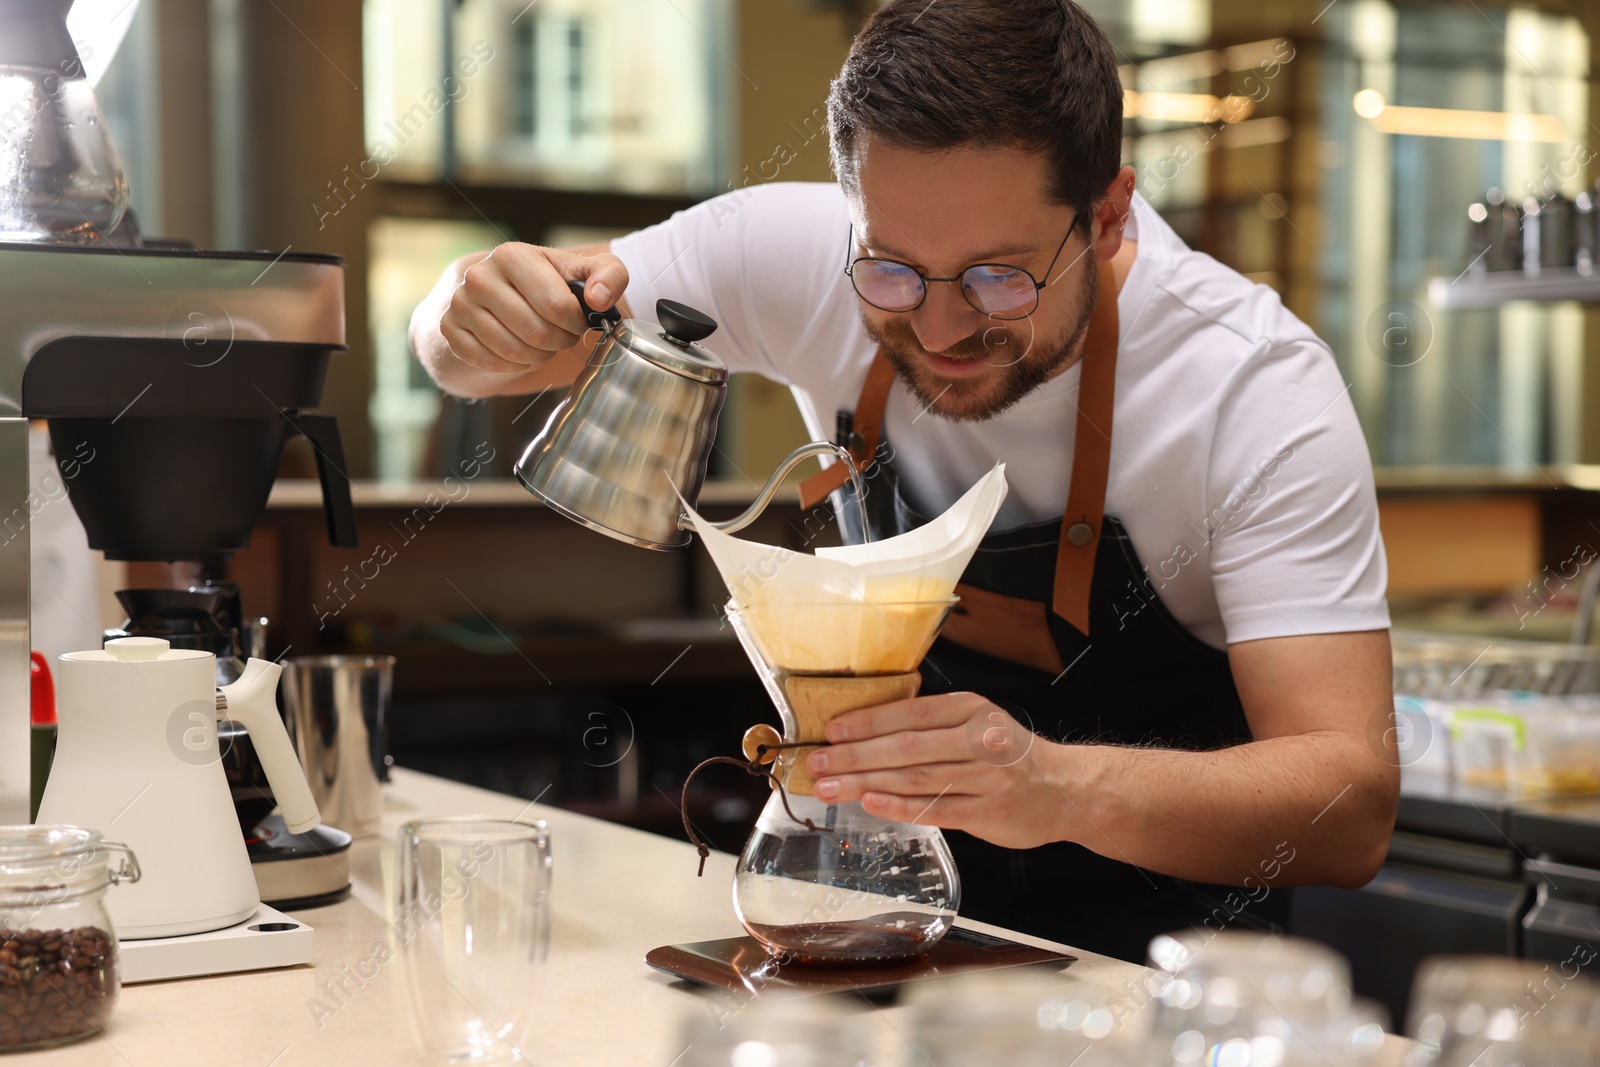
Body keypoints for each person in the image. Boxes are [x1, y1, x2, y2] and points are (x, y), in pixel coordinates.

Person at [410, 0, 1397, 962]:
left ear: (1105, 215)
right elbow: (482, 350)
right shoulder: (790, 253)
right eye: (892, 270)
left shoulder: (1251, 386)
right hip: (895, 926)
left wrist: (1052, 786)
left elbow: (1350, 807)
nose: (937, 329)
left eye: (997, 277)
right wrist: (466, 305)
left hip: (1164, 971)